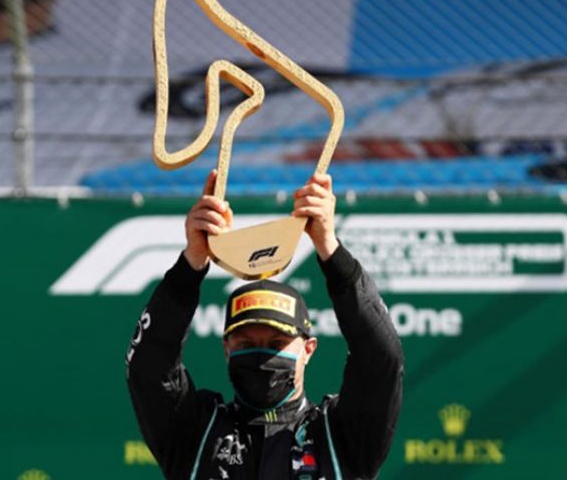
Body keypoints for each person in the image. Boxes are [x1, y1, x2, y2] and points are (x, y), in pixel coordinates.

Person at [126, 171, 404, 480]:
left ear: (308, 349)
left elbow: (381, 361)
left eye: (276, 344)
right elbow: (149, 366)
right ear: (226, 348)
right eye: (246, 344)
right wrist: (192, 263)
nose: (261, 356)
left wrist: (329, 248)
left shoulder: (341, 434)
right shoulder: (195, 430)